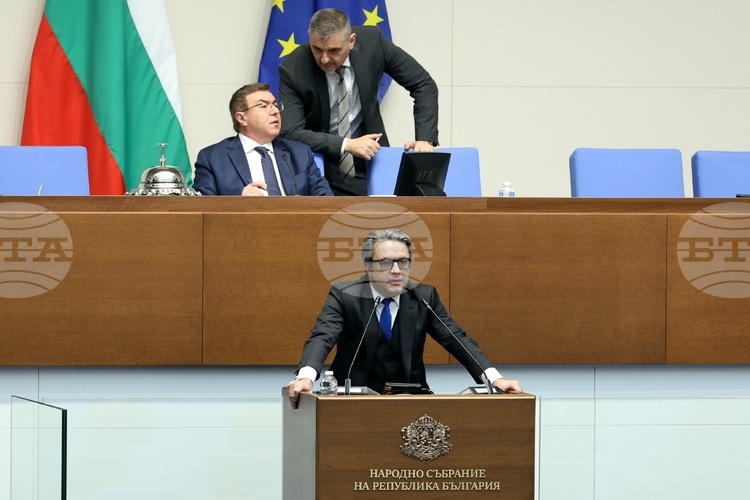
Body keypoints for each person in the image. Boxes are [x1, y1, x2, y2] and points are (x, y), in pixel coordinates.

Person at [286, 228, 522, 409]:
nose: (397, 270)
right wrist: (306, 377)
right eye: (386, 263)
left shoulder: (424, 297)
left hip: (410, 400)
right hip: (351, 401)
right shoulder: (345, 295)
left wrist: (494, 379)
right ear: (368, 266)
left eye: (403, 262)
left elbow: (456, 339)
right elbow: (323, 336)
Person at [278, 8, 439, 196]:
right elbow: (290, 132)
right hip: (322, 163)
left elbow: (423, 84)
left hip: (373, 158)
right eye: (317, 49)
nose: (324, 59)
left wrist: (424, 139)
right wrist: (346, 144)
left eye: (334, 50)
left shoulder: (373, 42)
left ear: (351, 41)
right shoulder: (293, 69)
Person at [193, 83, 333, 196]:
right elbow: (202, 208)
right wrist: (237, 201)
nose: (275, 111)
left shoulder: (300, 153)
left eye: (275, 105)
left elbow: (325, 200)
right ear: (241, 118)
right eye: (263, 106)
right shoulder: (213, 158)